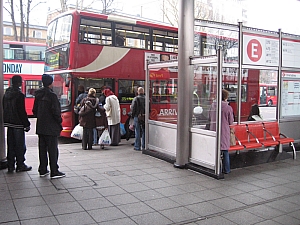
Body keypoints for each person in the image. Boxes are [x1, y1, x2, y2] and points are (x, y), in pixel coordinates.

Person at [33, 74, 65, 179]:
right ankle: (54, 171)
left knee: (42, 149)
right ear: (51, 83)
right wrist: (59, 122)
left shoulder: (38, 95)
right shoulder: (52, 96)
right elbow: (56, 112)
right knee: (52, 150)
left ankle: (42, 169)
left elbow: (34, 111)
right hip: (51, 127)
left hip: (41, 127)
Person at [3, 75, 32, 173]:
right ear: (19, 83)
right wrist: (26, 124)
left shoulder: (6, 93)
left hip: (9, 123)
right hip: (18, 123)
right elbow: (21, 111)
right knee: (20, 146)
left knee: (11, 145)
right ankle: (20, 165)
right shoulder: (19, 94)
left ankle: (10, 165)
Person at [209, 89, 234, 174]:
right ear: (225, 97)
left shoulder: (212, 106)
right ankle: (227, 169)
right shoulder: (228, 108)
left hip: (213, 130)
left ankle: (216, 168)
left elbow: (209, 117)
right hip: (224, 132)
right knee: (225, 151)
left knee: (214, 150)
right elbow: (231, 121)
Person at [130, 87, 146, 151]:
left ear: (138, 92)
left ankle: (137, 146)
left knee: (137, 131)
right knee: (144, 131)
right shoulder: (147, 99)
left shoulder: (136, 99)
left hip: (137, 116)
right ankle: (144, 146)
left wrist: (132, 115)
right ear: (143, 91)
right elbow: (149, 109)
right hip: (144, 117)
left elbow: (133, 109)